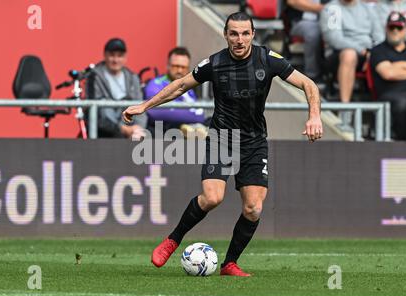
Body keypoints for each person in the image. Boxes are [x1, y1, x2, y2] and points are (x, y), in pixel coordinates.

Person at [123, 12, 323, 276]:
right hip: (222, 138)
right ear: (225, 34)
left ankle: (229, 263)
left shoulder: (267, 59)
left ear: (252, 34)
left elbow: (308, 84)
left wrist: (315, 115)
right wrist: (144, 106)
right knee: (212, 197)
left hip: (254, 141)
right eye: (233, 34)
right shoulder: (215, 63)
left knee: (253, 208)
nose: (239, 40)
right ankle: (172, 240)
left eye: (244, 33)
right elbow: (180, 86)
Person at [320, 0, 383, 110]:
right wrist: (362, 51)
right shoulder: (331, 8)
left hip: (368, 52)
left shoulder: (367, 8)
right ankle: (345, 108)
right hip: (338, 53)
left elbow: (379, 37)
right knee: (349, 54)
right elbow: (334, 39)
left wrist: (373, 53)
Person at [86, 38, 146, 139]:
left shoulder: (132, 77)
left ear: (125, 57)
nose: (115, 60)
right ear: (105, 55)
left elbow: (140, 105)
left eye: (119, 56)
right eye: (112, 55)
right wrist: (123, 129)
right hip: (106, 127)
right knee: (105, 106)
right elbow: (98, 110)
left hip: (129, 123)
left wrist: (138, 128)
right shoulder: (94, 76)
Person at [144, 47, 206, 136]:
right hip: (163, 132)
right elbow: (155, 113)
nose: (180, 70)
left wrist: (172, 110)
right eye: (176, 66)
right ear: (168, 65)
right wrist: (189, 115)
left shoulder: (189, 88)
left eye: (183, 67)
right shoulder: (155, 84)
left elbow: (200, 115)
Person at [370, 12, 406, 140]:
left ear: (405, 29)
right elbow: (388, 73)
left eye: (399, 27)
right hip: (388, 96)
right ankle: (402, 141)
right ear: (386, 29)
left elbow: (392, 69)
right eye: (391, 27)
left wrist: (396, 65)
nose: (395, 31)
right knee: (402, 103)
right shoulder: (378, 50)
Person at [285, 0, 325, 82]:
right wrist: (323, 8)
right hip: (302, 21)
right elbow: (292, 1)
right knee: (313, 32)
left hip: (330, 18)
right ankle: (312, 75)